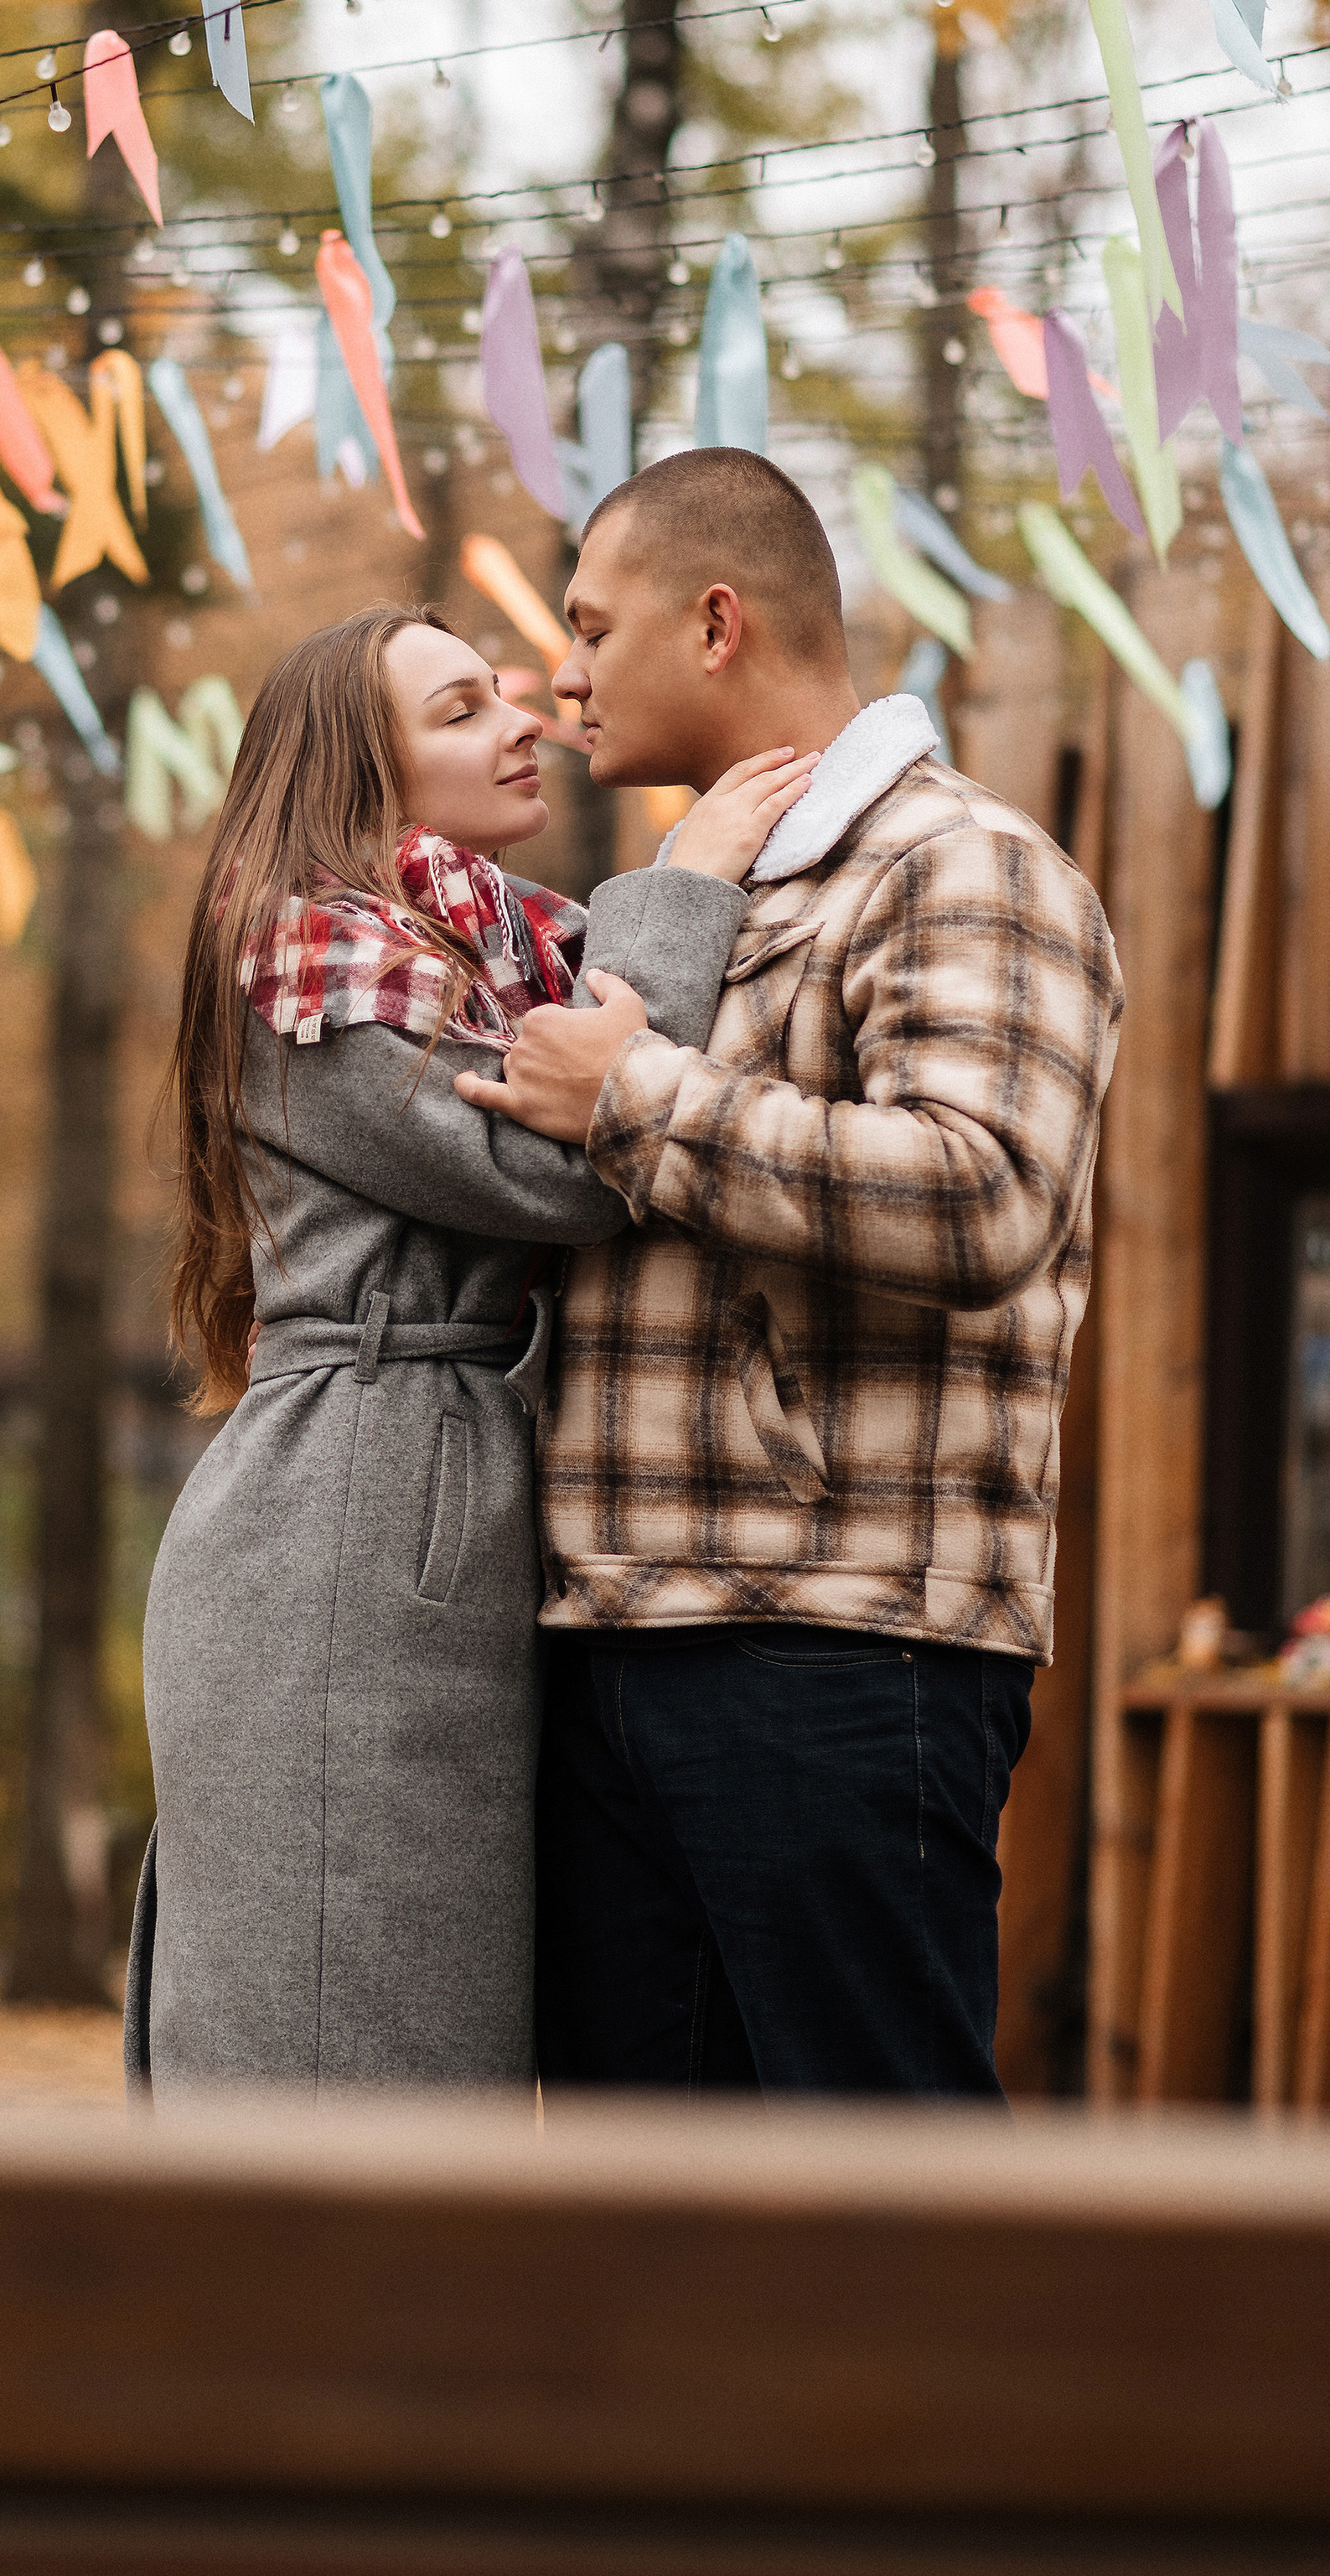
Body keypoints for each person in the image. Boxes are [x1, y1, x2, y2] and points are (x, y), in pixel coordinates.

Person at [460, 448, 1124, 2100]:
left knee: (873, 2238)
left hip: (840, 1654)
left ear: (714, 620)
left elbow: (984, 1196)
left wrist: (629, 1098)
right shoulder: (683, 902)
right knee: (636, 2256)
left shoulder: (964, 868)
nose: (559, 674)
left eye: (586, 626)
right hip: (606, 1648)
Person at [127, 601, 815, 2097]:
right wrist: (683, 885)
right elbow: (562, 1169)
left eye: (504, 694)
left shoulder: (477, 948)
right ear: (356, 779)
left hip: (416, 1489)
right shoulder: (318, 968)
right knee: (337, 2037)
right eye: (459, 712)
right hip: (343, 1521)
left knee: (418, 2037)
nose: (523, 723)